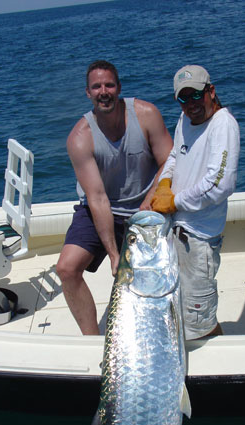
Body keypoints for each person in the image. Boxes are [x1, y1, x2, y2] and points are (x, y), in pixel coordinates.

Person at [56, 60, 173, 335]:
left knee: (163, 270)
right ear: (88, 93)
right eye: (96, 87)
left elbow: (169, 162)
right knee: (66, 269)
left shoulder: (146, 114)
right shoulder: (80, 138)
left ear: (119, 87)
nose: (103, 91)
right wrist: (113, 253)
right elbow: (97, 199)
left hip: (148, 207)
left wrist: (151, 201)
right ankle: (91, 339)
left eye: (109, 84)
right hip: (101, 208)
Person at [151, 64, 240, 340]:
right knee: (180, 313)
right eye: (183, 98)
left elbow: (219, 185)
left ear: (211, 91)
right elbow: (176, 157)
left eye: (196, 96)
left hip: (199, 241)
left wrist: (175, 201)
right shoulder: (184, 119)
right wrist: (164, 183)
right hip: (175, 234)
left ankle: (223, 371)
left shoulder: (223, 125)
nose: (190, 105)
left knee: (201, 324)